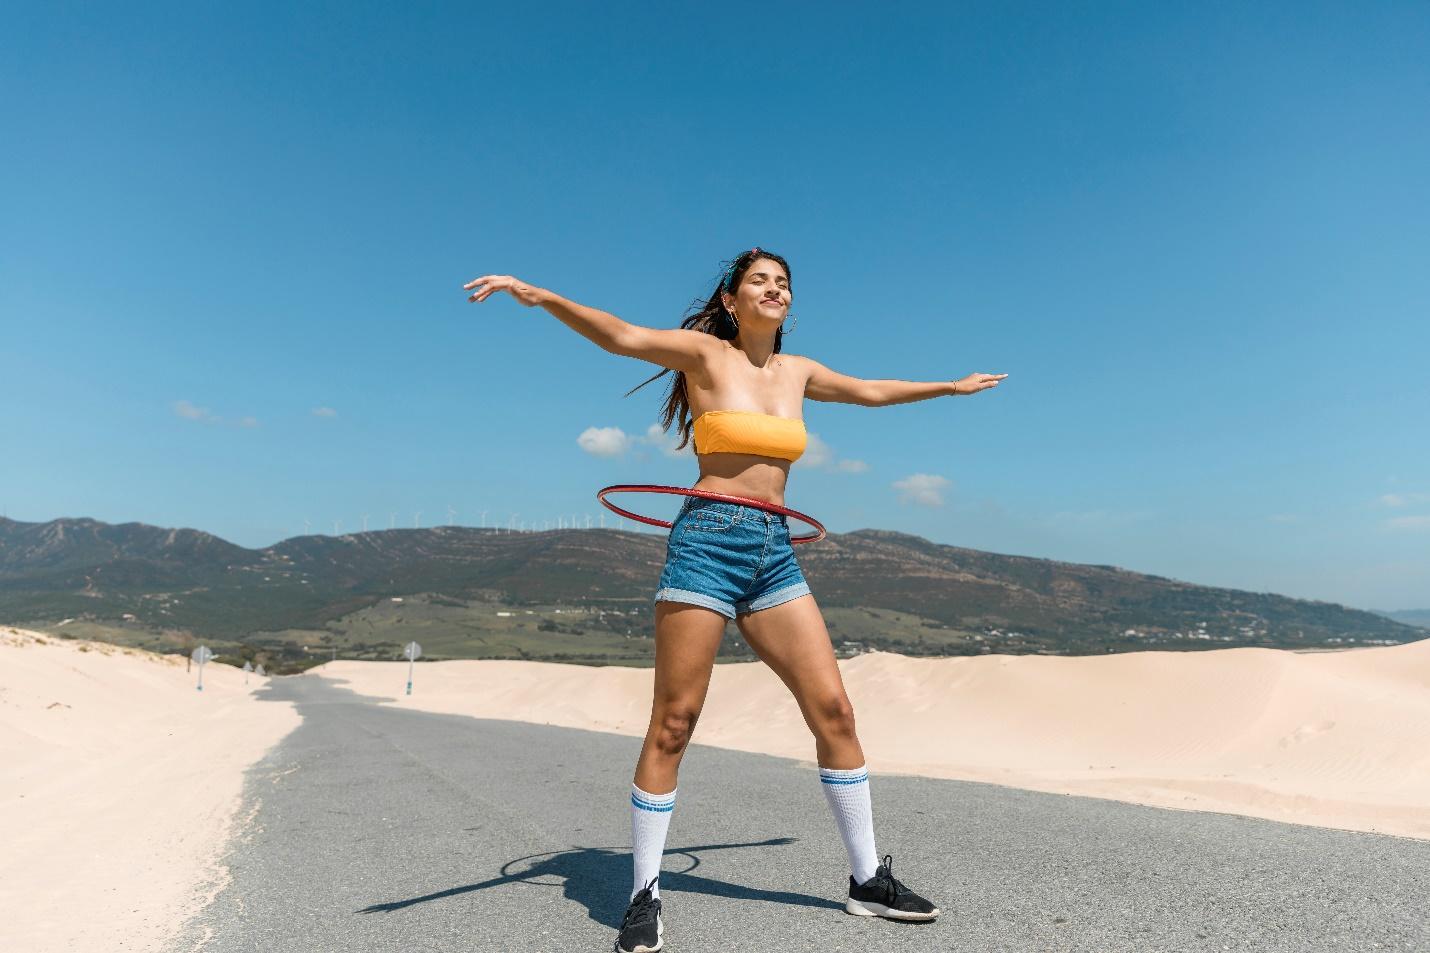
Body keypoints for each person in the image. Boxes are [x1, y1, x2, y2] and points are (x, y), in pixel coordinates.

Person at [464, 249, 1006, 953]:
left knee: (835, 709)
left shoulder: (798, 372)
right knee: (675, 721)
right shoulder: (704, 357)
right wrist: (537, 294)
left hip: (773, 549)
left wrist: (951, 387)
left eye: (783, 283)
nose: (775, 289)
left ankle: (867, 880)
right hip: (708, 543)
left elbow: (871, 390)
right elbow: (620, 335)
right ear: (731, 298)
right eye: (761, 280)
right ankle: (642, 894)